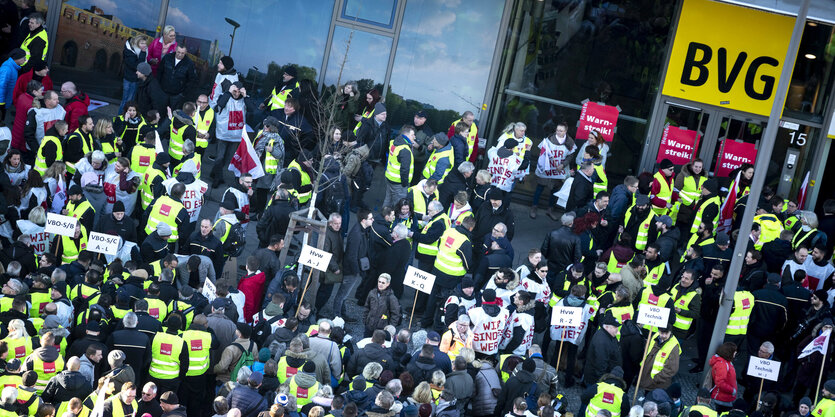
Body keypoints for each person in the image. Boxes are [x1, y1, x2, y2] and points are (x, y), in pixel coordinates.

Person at [212, 82, 255, 186]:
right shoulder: (225, 96)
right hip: (223, 134)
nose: (236, 94)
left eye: (238, 92)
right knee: (219, 157)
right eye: (234, 91)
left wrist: (245, 96)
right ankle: (216, 179)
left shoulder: (245, 99)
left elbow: (252, 110)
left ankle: (214, 173)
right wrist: (228, 92)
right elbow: (219, 105)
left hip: (236, 136)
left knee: (227, 159)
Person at [533, 122, 576, 220]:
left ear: (565, 131)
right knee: (539, 188)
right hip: (547, 169)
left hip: (559, 170)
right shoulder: (548, 140)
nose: (558, 132)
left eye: (561, 131)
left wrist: (563, 165)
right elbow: (543, 153)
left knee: (555, 190)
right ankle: (534, 207)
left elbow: (570, 155)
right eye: (557, 130)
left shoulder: (570, 142)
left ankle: (550, 209)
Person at [158, 44, 197, 110]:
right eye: (178, 52)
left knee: (173, 112)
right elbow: (160, 71)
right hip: (163, 91)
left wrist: (183, 93)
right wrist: (158, 87)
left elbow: (192, 80)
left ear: (186, 53)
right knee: (161, 109)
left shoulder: (189, 63)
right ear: (175, 50)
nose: (180, 55)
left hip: (177, 94)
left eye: (182, 53)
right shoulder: (167, 58)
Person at [119, 34, 148, 114]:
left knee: (129, 101)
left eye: (145, 43)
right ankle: (120, 119)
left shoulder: (135, 51)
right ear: (137, 43)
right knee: (127, 101)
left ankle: (124, 118)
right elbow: (137, 65)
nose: (144, 45)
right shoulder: (130, 52)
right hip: (130, 79)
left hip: (133, 79)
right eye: (142, 43)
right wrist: (143, 53)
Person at [709, 342, 738, 412]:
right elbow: (720, 383)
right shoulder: (722, 365)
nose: (736, 353)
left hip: (724, 397)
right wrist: (732, 390)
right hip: (723, 398)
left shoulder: (725, 362)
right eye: (734, 351)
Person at [0, 49, 25, 121]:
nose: (25, 60)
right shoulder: (7, 69)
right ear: (17, 58)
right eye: (23, 58)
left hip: (5, 101)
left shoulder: (14, 67)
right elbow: (1, 86)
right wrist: (1, 103)